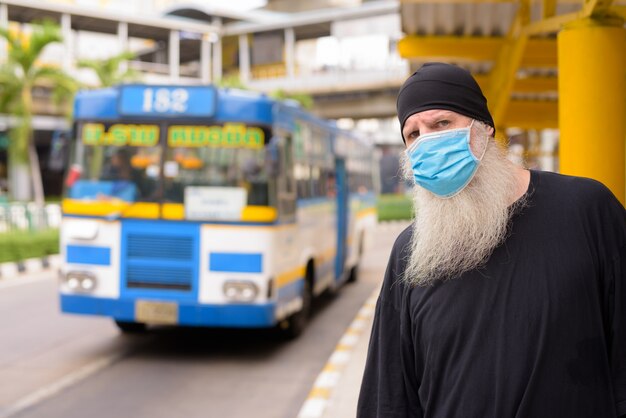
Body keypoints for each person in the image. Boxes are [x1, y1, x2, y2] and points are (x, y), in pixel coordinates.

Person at [357, 62, 626, 417]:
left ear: (484, 128)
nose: (427, 142)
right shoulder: (410, 254)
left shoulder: (586, 209)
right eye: (413, 135)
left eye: (441, 124)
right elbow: (389, 396)